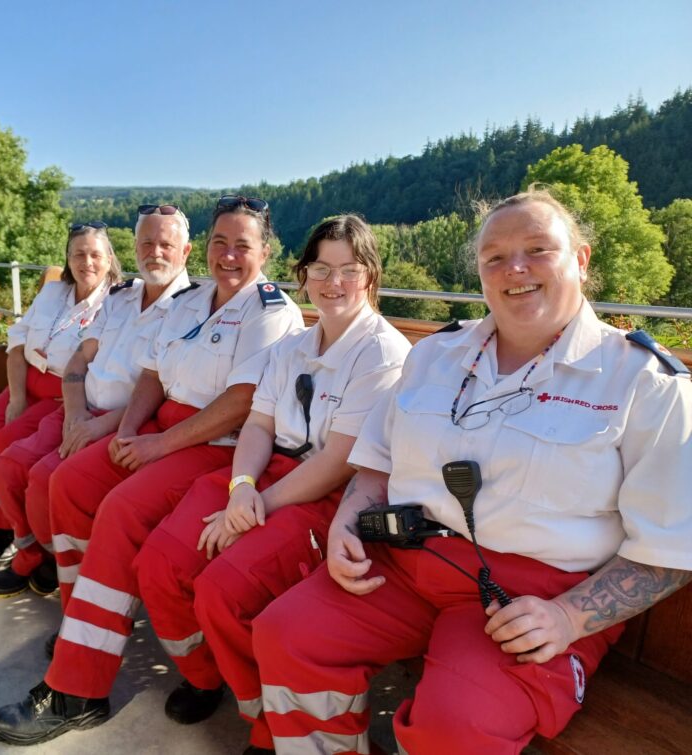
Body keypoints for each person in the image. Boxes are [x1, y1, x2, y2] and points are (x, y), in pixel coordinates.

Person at [251, 189, 692, 755]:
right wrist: (347, 520)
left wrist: (569, 617)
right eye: (495, 257)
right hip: (405, 564)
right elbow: (376, 464)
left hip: (532, 598)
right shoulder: (435, 355)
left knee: (455, 727)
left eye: (538, 249)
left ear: (580, 260)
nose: (515, 269)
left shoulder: (645, 383)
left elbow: (672, 549)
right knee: (286, 635)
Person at [0, 195, 304, 746]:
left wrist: (156, 446)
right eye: (220, 243)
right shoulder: (192, 299)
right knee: (71, 482)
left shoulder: (270, 309)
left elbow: (242, 402)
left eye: (243, 246)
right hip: (162, 428)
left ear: (267, 251)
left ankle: (79, 687)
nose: (228, 256)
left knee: (121, 513)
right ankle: (85, 627)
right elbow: (152, 375)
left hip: (221, 443)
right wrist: (132, 431)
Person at [134, 215, 411, 754]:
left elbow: (338, 460)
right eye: (321, 269)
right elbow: (259, 425)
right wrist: (240, 488)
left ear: (370, 276)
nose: (334, 283)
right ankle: (215, 679)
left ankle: (271, 727)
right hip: (263, 477)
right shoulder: (295, 347)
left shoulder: (381, 354)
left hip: (331, 495)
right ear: (303, 274)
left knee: (222, 591)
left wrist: (255, 504)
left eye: (349, 270)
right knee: (161, 562)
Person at [0, 206, 193, 598]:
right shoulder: (121, 297)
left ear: (186, 251)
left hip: (124, 421)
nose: (155, 252)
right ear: (133, 247)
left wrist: (98, 425)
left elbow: (162, 391)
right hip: (78, 409)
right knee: (10, 465)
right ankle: (34, 555)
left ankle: (61, 571)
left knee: (47, 479)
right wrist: (75, 412)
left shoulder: (191, 310)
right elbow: (80, 358)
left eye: (167, 244)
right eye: (147, 242)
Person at [0, 222, 118, 568]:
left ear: (109, 260)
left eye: (94, 255)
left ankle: (3, 530)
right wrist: (15, 398)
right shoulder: (52, 292)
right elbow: (17, 345)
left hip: (59, 394)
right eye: (78, 254)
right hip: (24, 381)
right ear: (68, 258)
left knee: (6, 441)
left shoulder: (115, 303)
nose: (86, 262)